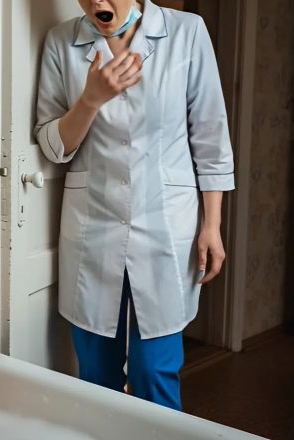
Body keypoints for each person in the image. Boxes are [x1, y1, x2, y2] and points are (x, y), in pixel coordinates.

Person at [34, 0, 235, 411]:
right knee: (96, 376)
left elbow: (210, 135)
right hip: (93, 226)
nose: (98, 3)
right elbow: (53, 148)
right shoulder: (61, 42)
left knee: (153, 371)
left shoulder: (187, 32)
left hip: (166, 224)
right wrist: (90, 100)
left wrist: (212, 225)